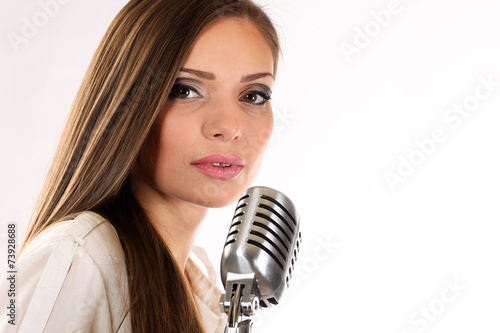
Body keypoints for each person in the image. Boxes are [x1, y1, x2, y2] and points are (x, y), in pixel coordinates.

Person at [0, 0, 281, 331]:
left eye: (253, 96)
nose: (228, 126)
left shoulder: (201, 289)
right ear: (127, 105)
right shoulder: (83, 257)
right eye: (185, 89)